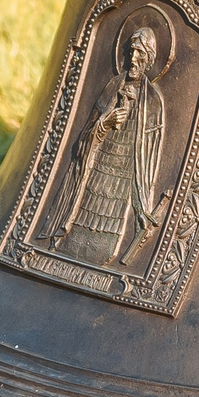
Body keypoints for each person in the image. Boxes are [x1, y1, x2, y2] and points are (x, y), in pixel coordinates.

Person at [54, 16, 170, 267]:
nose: (133, 59)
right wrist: (104, 124)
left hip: (121, 189)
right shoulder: (113, 86)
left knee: (103, 249)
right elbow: (85, 136)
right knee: (76, 240)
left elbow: (148, 160)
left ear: (150, 59)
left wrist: (143, 206)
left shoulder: (153, 102)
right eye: (131, 51)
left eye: (140, 54)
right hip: (96, 177)